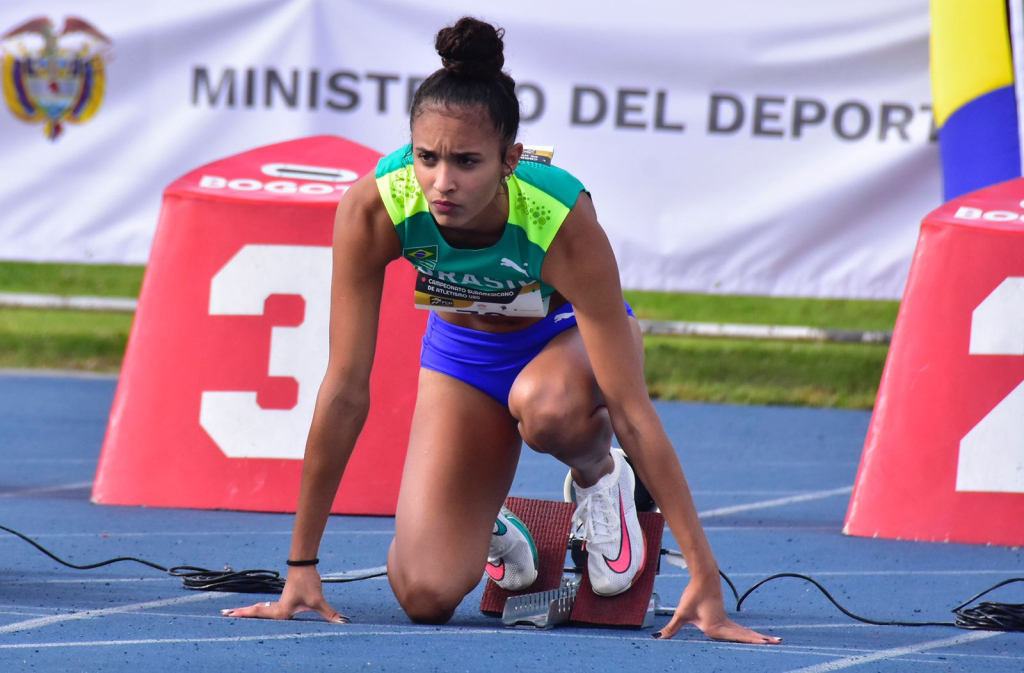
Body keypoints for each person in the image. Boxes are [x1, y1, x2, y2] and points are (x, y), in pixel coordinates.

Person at [222, 16, 781, 644]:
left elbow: (630, 405)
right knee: (424, 595)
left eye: (466, 162)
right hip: (465, 355)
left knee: (545, 410)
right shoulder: (376, 208)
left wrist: (704, 572)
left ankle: (602, 476)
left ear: (509, 160)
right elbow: (346, 387)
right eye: (426, 158)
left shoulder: (559, 219)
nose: (442, 182)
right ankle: (483, 515)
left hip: (563, 348)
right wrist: (301, 565)